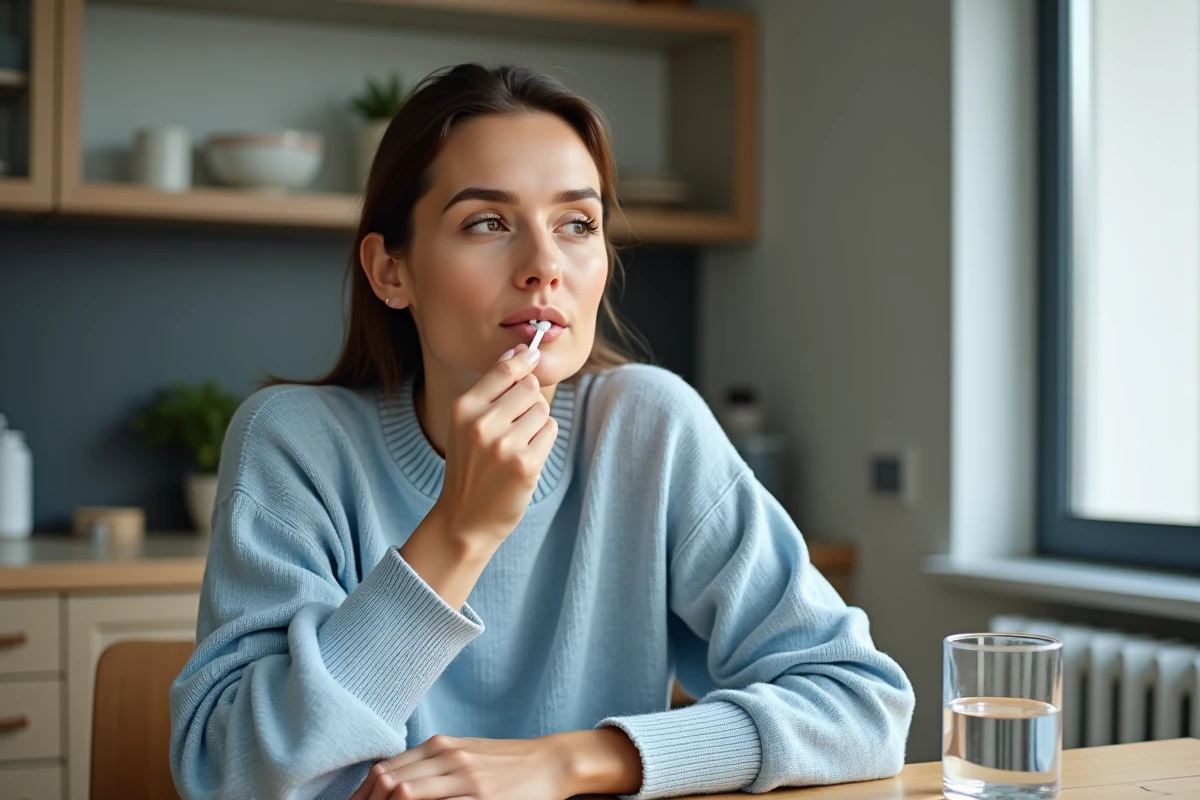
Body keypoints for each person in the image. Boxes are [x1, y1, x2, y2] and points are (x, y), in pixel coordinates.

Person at [169, 63, 915, 800]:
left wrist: (572, 761)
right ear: (391, 270)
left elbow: (863, 703)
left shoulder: (649, 427)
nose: (543, 266)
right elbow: (232, 775)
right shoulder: (294, 444)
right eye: (487, 222)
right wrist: (460, 529)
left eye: (577, 224)